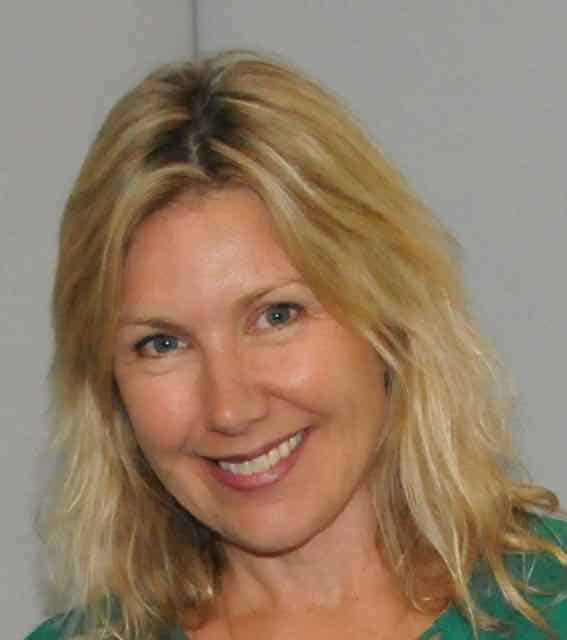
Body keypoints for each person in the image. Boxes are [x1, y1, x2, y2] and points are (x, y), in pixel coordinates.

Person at [27, 50, 567, 640]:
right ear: (108, 383)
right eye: (162, 344)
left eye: (276, 315)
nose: (230, 409)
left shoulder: (549, 603)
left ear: (387, 312)